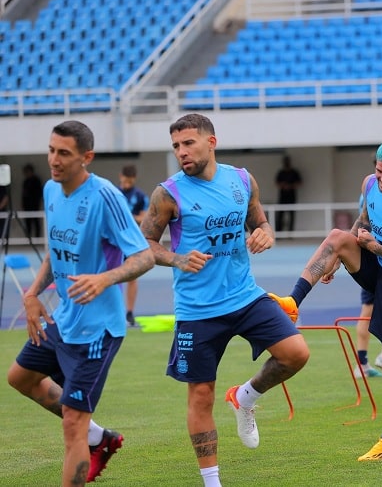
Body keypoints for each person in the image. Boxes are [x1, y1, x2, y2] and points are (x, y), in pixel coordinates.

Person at [139, 113, 309, 487]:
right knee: (201, 395)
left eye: (189, 143)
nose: (182, 152)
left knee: (296, 353)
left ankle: (245, 397)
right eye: (176, 147)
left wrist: (265, 233)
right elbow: (144, 244)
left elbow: (259, 222)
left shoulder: (242, 180)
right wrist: (176, 257)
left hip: (246, 296)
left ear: (211, 142)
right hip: (198, 311)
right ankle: (212, 482)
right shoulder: (168, 193)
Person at [6, 120, 155, 485]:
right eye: (51, 150)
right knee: (20, 378)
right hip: (64, 320)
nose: (54, 160)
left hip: (97, 331)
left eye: (64, 153)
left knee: (72, 421)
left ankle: (87, 434)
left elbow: (144, 257)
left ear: (86, 157)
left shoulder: (105, 196)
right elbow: (54, 254)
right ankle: (99, 438)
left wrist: (104, 278)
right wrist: (31, 294)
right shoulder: (50, 190)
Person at [269, 140, 382, 461]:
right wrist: (338, 257)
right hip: (375, 266)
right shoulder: (369, 184)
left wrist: (378, 249)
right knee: (337, 236)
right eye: (380, 171)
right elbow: (363, 222)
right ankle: (292, 302)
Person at [118, 164, 149, 326]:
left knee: (132, 277)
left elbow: (143, 218)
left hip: (131, 242)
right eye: (125, 180)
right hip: (114, 242)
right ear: (120, 176)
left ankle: (129, 312)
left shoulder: (141, 196)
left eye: (130, 181)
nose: (127, 183)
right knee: (112, 276)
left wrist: (127, 217)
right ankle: (115, 311)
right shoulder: (113, 193)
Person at [275, 155, 302, 232]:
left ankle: (290, 233)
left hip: (291, 196)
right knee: (280, 214)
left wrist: (290, 186)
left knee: (291, 215)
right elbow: (277, 183)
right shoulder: (281, 173)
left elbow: (299, 183)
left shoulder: (294, 172)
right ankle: (279, 232)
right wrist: (283, 186)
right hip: (282, 197)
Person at [21, 163, 44, 238]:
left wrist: (36, 202)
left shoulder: (36, 180)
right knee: (28, 223)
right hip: (27, 206)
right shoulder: (26, 181)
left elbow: (39, 193)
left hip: (34, 205)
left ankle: (37, 238)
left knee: (36, 222)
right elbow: (24, 194)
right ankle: (28, 238)